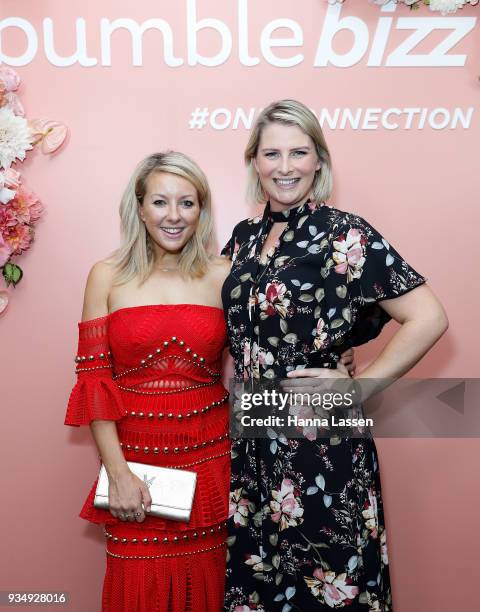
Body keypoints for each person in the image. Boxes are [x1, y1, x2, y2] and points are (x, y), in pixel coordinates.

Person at [221, 100, 448, 611]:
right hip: (252, 449)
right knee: (258, 588)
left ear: (318, 161)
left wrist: (361, 386)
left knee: (329, 589)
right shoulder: (242, 239)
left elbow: (429, 317)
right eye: (271, 153)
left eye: (299, 152)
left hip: (320, 443)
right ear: (254, 162)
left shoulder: (346, 233)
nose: (285, 166)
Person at [64, 152, 233, 612]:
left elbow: (259, 358)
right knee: (139, 590)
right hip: (135, 466)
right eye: (160, 202)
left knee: (208, 589)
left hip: (211, 464)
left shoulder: (225, 275)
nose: (174, 216)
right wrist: (118, 474)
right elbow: (93, 381)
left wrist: (336, 355)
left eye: (187, 203)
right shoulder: (107, 275)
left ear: (202, 210)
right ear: (139, 208)